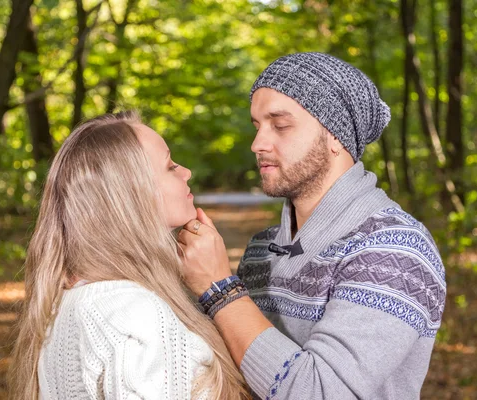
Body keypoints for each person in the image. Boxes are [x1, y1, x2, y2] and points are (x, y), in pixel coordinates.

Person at [178, 52, 446, 399]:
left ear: (335, 136)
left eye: (280, 124)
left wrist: (220, 289)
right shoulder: (262, 248)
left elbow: (320, 391)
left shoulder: (395, 249)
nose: (257, 144)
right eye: (257, 125)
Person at [7, 111, 249, 400]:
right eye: (170, 166)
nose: (186, 172)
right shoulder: (136, 314)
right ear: (131, 193)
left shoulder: (67, 300)